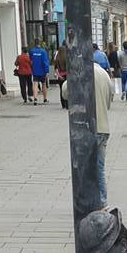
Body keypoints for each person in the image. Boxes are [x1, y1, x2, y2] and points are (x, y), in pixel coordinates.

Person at [62, 63, 113, 207]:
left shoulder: (79, 71)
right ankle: (102, 201)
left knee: (83, 169)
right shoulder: (104, 74)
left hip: (85, 128)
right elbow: (110, 99)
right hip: (103, 127)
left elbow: (65, 92)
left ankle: (86, 201)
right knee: (99, 168)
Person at [29, 40, 50, 104]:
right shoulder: (43, 52)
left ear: (34, 43)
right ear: (39, 43)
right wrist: (47, 71)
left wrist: (32, 67)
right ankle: (45, 99)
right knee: (43, 84)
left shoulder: (31, 51)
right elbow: (45, 62)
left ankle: (35, 99)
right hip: (42, 71)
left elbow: (30, 60)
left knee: (35, 84)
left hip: (35, 70)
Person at [54, 43, 68, 109]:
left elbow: (56, 68)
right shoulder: (66, 58)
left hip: (60, 77)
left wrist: (59, 76)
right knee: (67, 89)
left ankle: (63, 104)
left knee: (61, 90)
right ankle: (67, 103)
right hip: (67, 76)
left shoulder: (57, 58)